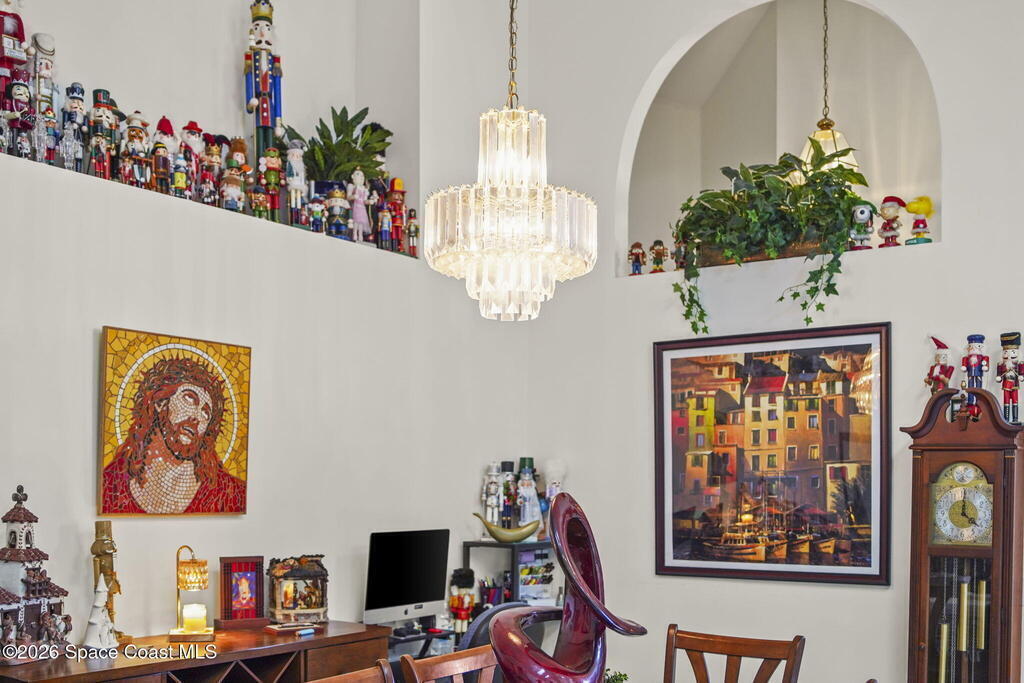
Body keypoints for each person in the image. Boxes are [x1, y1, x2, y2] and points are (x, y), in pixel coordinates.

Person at [101, 357, 246, 514]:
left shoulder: (229, 493)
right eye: (189, 398)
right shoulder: (110, 485)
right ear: (160, 402)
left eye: (206, 413)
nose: (197, 417)